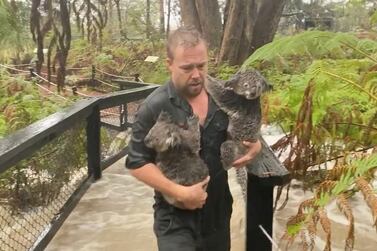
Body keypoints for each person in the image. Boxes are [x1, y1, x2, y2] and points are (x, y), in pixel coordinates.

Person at [125, 26, 261, 251]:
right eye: (187, 67)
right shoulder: (153, 107)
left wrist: (254, 146)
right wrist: (180, 193)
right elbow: (137, 163)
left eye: (202, 66)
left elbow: (246, 131)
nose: (197, 74)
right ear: (169, 64)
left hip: (218, 214)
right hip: (175, 219)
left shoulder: (224, 99)